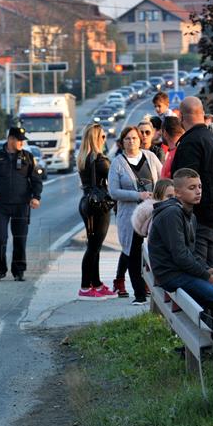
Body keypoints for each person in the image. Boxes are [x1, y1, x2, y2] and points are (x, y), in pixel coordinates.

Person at [148, 168, 213, 360]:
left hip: (183, 271)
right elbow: (180, 257)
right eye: (192, 188)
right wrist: (208, 276)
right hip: (172, 275)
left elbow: (190, 256)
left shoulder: (190, 216)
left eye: (200, 187)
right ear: (177, 192)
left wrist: (210, 270)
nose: (198, 191)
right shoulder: (172, 214)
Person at [170, 96, 213, 270]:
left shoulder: (190, 143)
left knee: (203, 274)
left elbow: (186, 181)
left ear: (181, 117)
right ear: (202, 114)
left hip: (198, 221)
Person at [0, 126, 43, 282]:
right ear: (11, 139)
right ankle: (0, 270)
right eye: (19, 140)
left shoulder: (28, 157)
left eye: (22, 140)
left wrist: (36, 197)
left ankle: (19, 271)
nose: (22, 143)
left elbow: (36, 180)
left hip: (21, 205)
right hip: (1, 205)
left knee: (20, 239)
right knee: (0, 238)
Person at [108, 126, 163, 304]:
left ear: (140, 140)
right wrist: (137, 195)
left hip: (153, 213)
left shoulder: (151, 157)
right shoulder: (118, 162)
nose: (131, 141)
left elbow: (162, 180)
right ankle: (139, 294)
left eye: (134, 138)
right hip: (130, 215)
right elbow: (113, 191)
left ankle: (155, 291)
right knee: (133, 254)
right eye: (127, 139)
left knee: (155, 252)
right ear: (122, 142)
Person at [77, 124, 114, 300]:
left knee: (94, 246)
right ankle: (85, 287)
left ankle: (96, 283)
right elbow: (115, 177)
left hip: (86, 203)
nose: (105, 140)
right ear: (97, 139)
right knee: (93, 247)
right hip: (99, 206)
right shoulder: (100, 161)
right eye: (103, 137)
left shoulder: (83, 159)